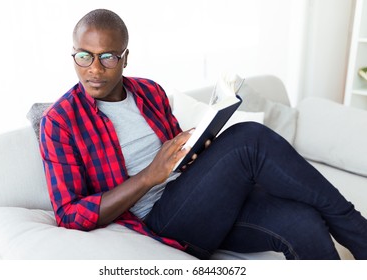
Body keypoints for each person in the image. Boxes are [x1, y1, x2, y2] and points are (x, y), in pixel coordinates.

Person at [39, 8, 367, 260]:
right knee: (250, 137)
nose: (94, 69)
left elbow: (175, 157)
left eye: (107, 57)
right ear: (74, 54)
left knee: (303, 222)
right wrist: (147, 177)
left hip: (200, 201)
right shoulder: (60, 122)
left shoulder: (148, 92)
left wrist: (197, 145)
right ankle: (358, 232)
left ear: (125, 58)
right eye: (84, 56)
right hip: (162, 221)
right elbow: (68, 214)